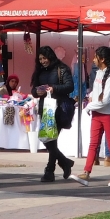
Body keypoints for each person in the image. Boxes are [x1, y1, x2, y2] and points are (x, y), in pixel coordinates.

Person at [75, 47, 110, 187]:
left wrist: (89, 107)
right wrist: (90, 98)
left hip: (108, 115)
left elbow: (106, 99)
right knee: (93, 143)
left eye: (96, 57)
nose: (93, 59)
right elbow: (96, 92)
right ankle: (86, 172)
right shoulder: (98, 72)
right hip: (97, 114)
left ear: (102, 59)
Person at [31, 45, 76, 182]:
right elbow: (33, 89)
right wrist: (36, 92)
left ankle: (50, 171)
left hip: (59, 108)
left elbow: (70, 86)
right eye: (40, 59)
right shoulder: (39, 71)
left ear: (50, 56)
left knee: (51, 140)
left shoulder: (62, 69)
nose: (42, 61)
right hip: (45, 109)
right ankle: (64, 162)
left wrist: (53, 88)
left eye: (44, 58)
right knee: (48, 140)